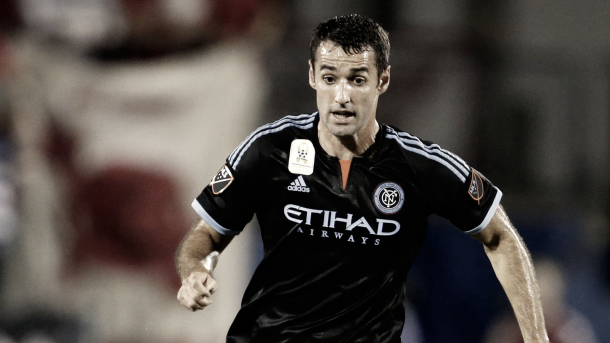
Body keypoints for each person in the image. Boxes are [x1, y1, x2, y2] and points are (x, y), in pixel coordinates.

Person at [175, 14, 549, 343]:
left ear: (382, 80)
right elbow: (206, 234)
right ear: (312, 77)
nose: (342, 96)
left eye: (357, 79)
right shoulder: (269, 149)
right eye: (329, 78)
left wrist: (537, 338)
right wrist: (196, 272)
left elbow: (501, 237)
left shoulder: (419, 165)